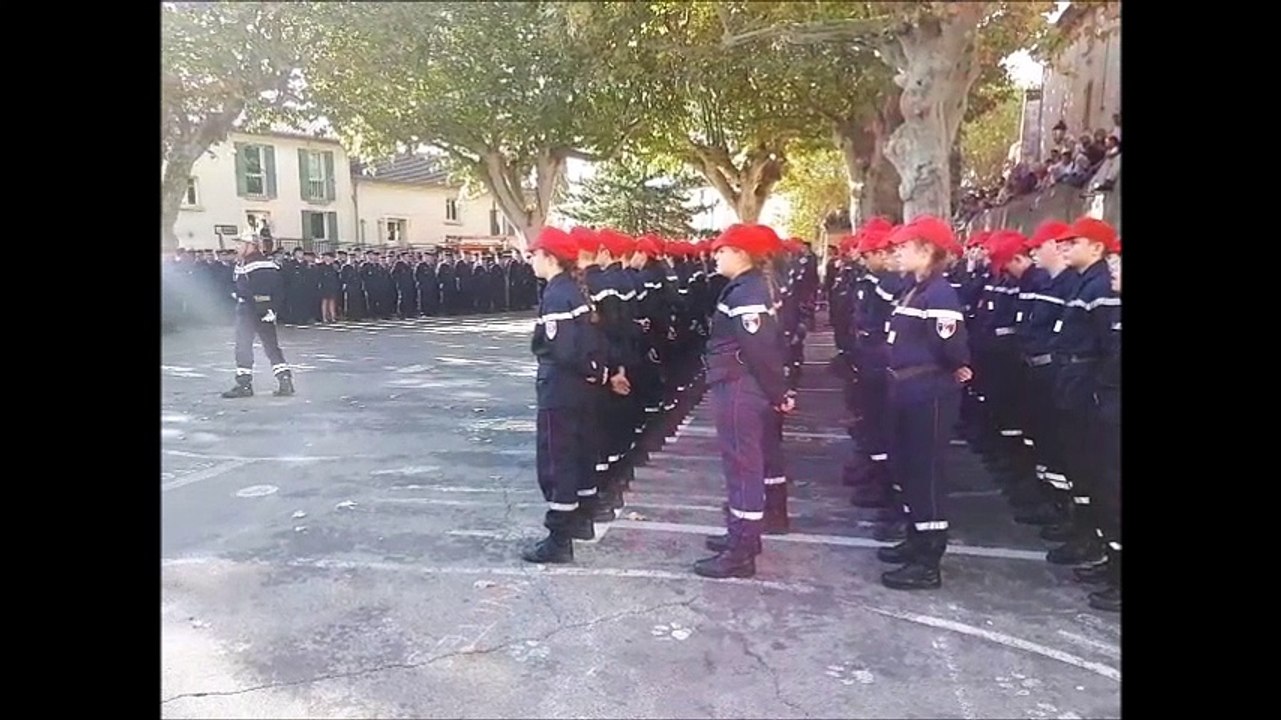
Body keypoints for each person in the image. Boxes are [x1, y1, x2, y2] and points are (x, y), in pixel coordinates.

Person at [875, 217, 972, 591]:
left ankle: (928, 559)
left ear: (928, 250)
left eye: (905, 247)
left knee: (927, 472)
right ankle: (916, 538)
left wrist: (957, 368)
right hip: (906, 389)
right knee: (910, 468)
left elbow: (953, 348)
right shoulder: (914, 290)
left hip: (928, 391)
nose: (897, 253)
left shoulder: (940, 294)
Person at [697, 224, 793, 579]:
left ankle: (742, 550)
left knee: (743, 468)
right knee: (741, 465)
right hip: (737, 384)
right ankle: (740, 536)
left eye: (722, 250)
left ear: (741, 253)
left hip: (740, 387)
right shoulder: (744, 288)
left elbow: (761, 349)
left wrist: (778, 392)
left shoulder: (748, 291)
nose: (715, 255)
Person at [522, 227, 611, 564]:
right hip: (581, 388)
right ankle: (581, 521)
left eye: (535, 255)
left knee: (557, 460)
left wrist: (585, 369)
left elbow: (561, 348)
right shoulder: (575, 290)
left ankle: (559, 537)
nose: (531, 261)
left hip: (561, 388)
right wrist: (596, 372)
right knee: (579, 455)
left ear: (549, 257)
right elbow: (592, 342)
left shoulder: (558, 294)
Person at [221, 233, 295, 399]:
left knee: (243, 347)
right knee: (271, 347)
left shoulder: (254, 264)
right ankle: (285, 381)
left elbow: (261, 290)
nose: (237, 247)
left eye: (240, 244)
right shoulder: (258, 263)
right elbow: (277, 290)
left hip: (250, 310)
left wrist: (239, 294)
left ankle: (244, 384)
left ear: (251, 246)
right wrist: (271, 309)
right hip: (260, 310)